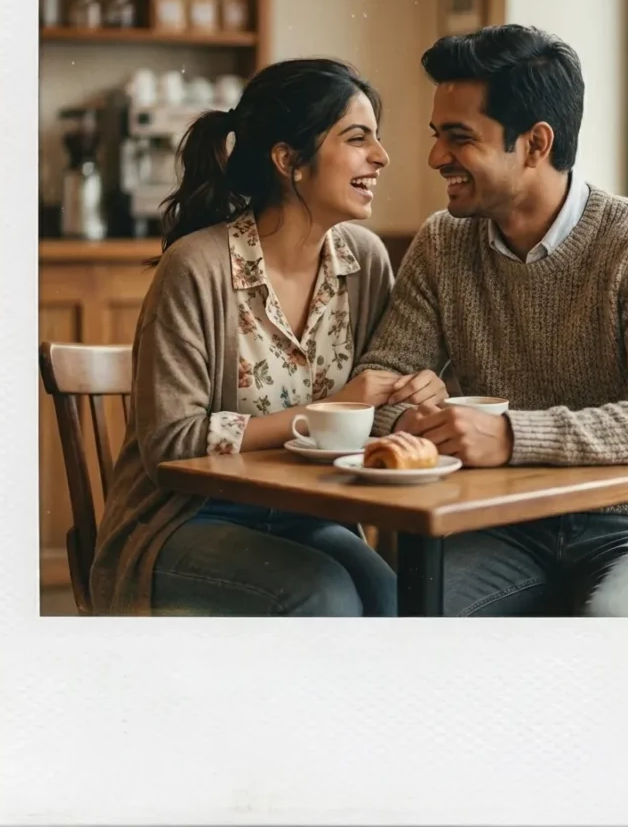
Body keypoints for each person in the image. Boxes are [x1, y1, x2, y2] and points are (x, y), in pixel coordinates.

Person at [353, 25, 628, 617]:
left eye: (459, 138)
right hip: (505, 524)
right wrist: (416, 408)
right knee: (413, 624)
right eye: (437, 136)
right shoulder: (444, 242)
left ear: (535, 143)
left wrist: (511, 437)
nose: (434, 158)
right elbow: (380, 387)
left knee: (609, 635)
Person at [89, 58, 447, 616]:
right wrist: (328, 408)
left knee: (390, 594)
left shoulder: (366, 261)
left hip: (310, 513)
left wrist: (414, 400)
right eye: (358, 139)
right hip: (184, 518)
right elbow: (170, 442)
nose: (381, 157)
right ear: (288, 160)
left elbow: (373, 407)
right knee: (322, 597)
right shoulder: (198, 266)